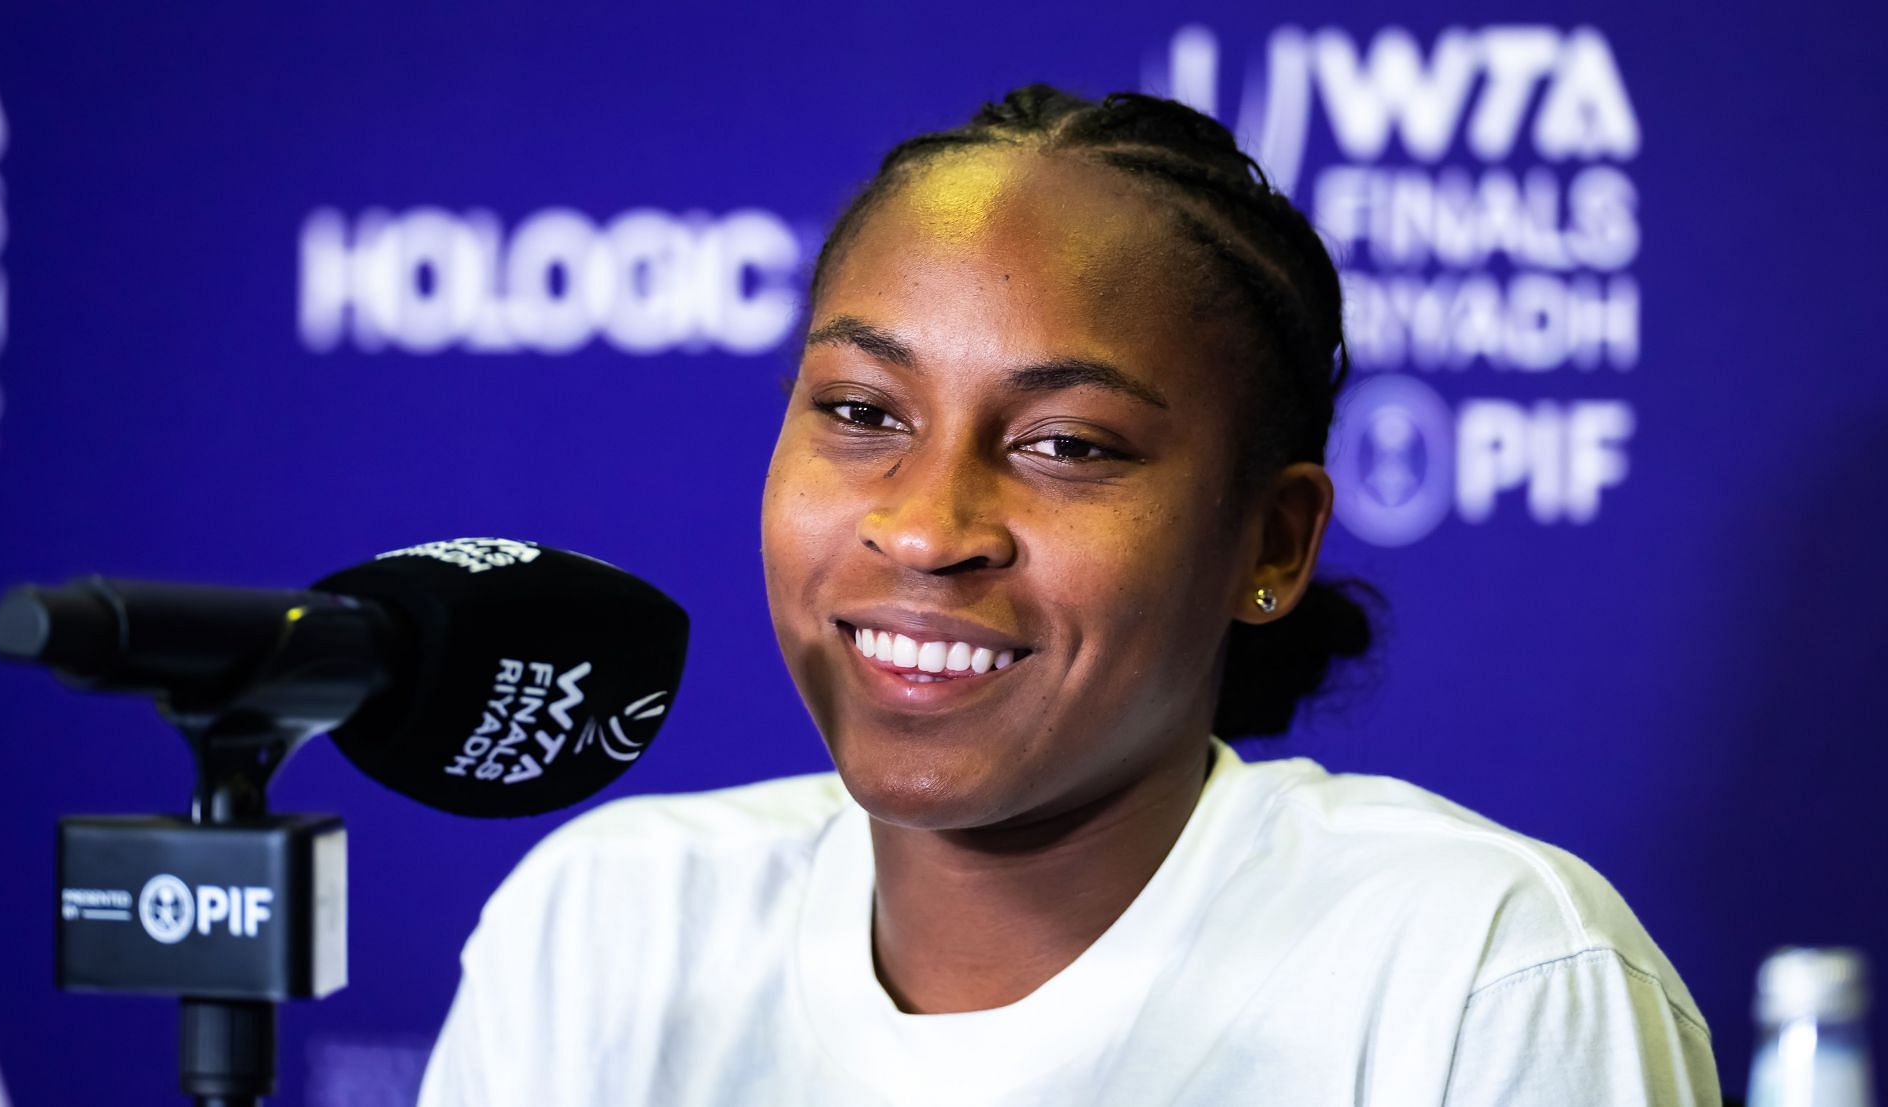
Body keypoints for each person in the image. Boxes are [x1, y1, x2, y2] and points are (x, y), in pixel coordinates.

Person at [417, 85, 1721, 1105]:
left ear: (1271, 541)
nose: (927, 527)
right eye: (863, 412)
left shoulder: (1485, 974)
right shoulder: (601, 929)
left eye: (1066, 445)